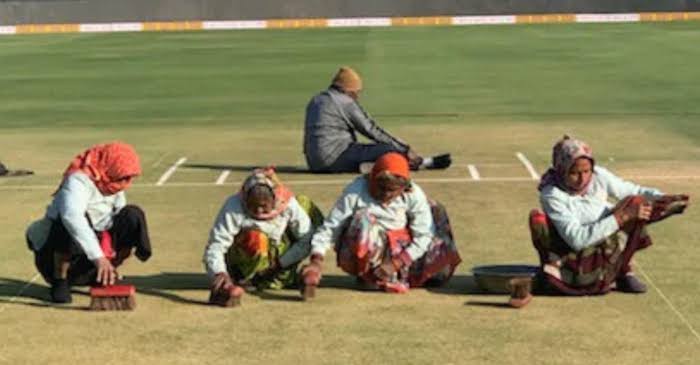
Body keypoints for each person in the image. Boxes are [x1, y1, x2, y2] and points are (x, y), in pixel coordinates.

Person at [530, 136, 689, 295]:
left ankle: (624, 270)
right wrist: (621, 217)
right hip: (572, 250)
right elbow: (577, 239)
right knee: (538, 220)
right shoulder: (552, 194)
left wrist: (662, 198)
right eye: (574, 173)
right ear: (561, 169)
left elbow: (633, 191)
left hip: (605, 237)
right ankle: (581, 272)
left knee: (635, 202)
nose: (582, 179)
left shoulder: (598, 176)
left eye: (586, 171)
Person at [301, 152, 461, 295]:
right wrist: (316, 262)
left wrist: (396, 263)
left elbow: (424, 235)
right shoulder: (356, 191)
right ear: (372, 179)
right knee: (362, 219)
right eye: (381, 188)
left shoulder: (414, 194)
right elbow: (331, 228)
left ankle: (400, 275)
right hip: (369, 245)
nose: (385, 195)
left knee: (435, 209)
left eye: (392, 191)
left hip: (402, 249)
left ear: (404, 188)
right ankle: (368, 275)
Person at [25, 142, 152, 303]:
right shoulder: (77, 181)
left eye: (129, 178)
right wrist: (98, 258)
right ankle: (60, 281)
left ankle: (106, 274)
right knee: (69, 222)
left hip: (93, 259)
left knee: (132, 215)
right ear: (112, 166)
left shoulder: (113, 182)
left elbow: (116, 219)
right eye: (124, 177)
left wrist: (106, 258)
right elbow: (72, 216)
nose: (126, 182)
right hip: (55, 257)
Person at [203, 167, 323, 306]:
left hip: (280, 260)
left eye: (264, 206)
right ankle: (240, 281)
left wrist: (281, 264)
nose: (259, 211)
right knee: (257, 238)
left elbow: (306, 239)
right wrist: (219, 273)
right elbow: (216, 245)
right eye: (253, 206)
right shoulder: (234, 205)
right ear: (245, 199)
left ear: (274, 199)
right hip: (246, 260)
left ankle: (286, 277)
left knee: (305, 204)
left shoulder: (288, 203)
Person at [303, 66, 449, 173]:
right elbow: (371, 130)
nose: (357, 97)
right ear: (348, 90)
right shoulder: (345, 102)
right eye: (356, 93)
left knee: (367, 150)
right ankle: (423, 163)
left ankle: (368, 165)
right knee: (390, 150)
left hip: (314, 163)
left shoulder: (316, 100)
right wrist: (404, 148)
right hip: (335, 159)